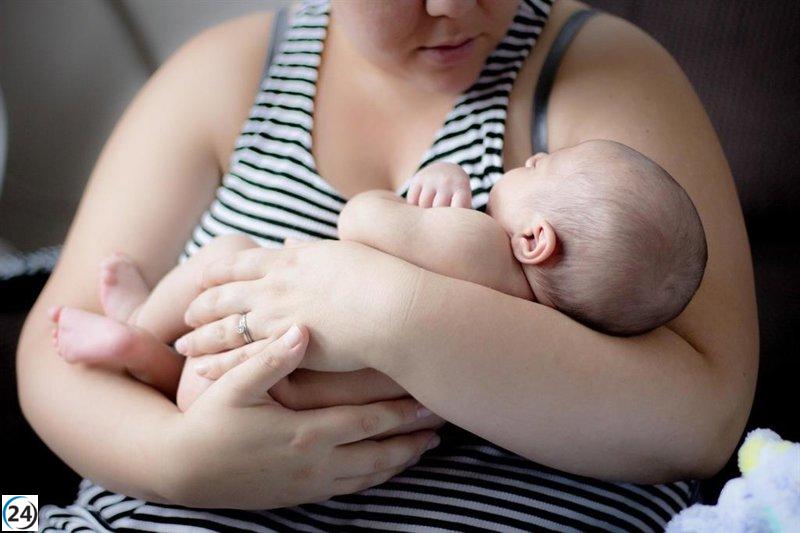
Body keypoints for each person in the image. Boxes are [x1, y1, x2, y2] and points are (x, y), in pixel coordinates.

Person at [19, 0, 757, 530]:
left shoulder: (604, 75)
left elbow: (702, 419)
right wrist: (179, 462)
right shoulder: (220, 74)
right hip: (150, 511)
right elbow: (53, 356)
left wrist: (381, 308)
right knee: (12, 514)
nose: (455, 7)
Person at [46, 138, 708, 415]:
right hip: (305, 393)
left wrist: (428, 188)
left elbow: (362, 222)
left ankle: (139, 325)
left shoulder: (481, 242)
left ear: (535, 240)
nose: (529, 158)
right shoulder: (543, 338)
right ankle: (140, 354)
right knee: (200, 382)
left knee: (225, 253)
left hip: (270, 323)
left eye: (541, 169)